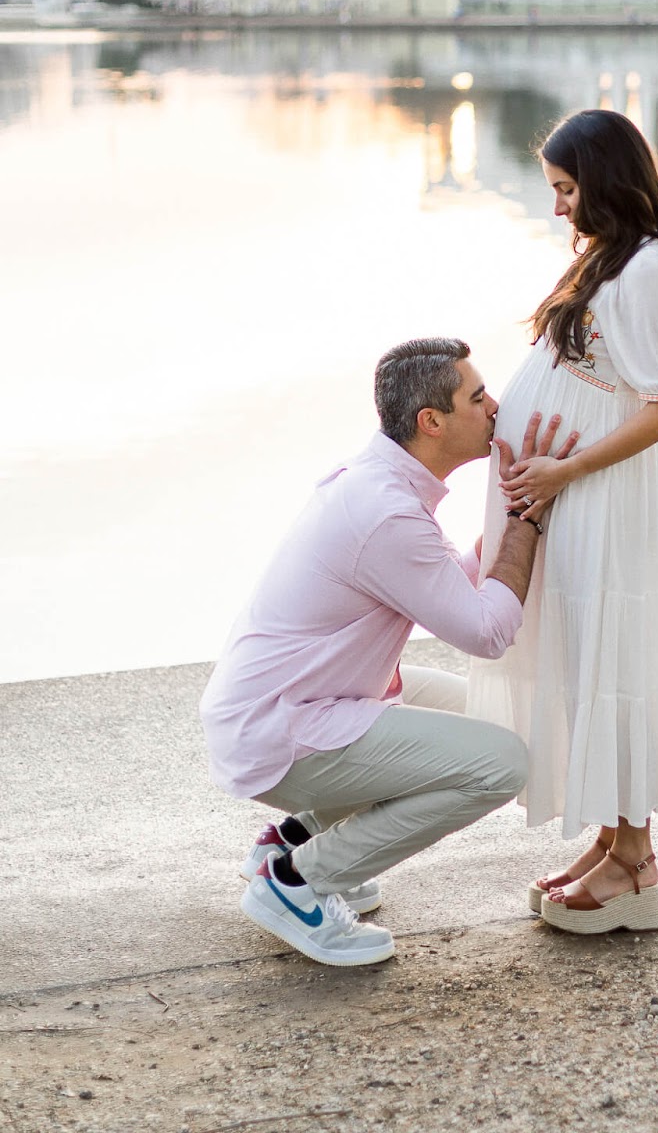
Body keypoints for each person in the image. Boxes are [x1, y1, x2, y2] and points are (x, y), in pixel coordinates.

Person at [200, 337, 576, 968]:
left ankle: (290, 838)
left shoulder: (381, 485)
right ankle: (295, 882)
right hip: (280, 729)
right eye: (478, 397)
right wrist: (526, 518)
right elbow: (485, 632)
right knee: (499, 763)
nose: (495, 408)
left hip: (294, 702)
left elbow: (439, 583)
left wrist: (511, 505)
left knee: (495, 719)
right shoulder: (386, 511)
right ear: (432, 422)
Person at [467, 110, 658, 935]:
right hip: (576, 493)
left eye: (566, 189)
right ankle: (611, 838)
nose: (559, 208)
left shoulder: (650, 270)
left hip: (604, 494)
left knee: (616, 657)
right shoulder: (615, 260)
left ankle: (637, 865)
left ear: (604, 178)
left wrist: (563, 470)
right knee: (586, 659)